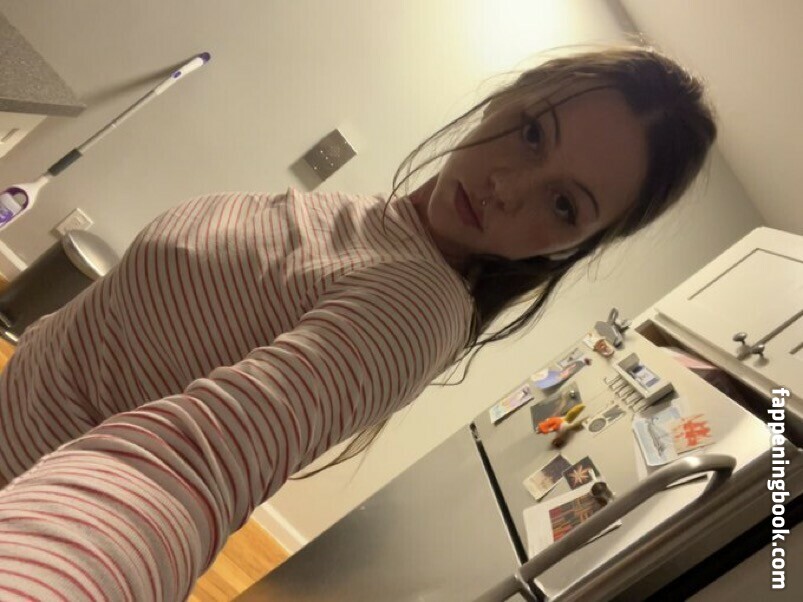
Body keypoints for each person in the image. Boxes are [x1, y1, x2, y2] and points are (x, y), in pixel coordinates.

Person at [0, 45, 716, 599]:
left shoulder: (413, 306)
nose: (508, 188)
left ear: (572, 246)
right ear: (507, 96)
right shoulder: (378, 225)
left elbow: (193, 470)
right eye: (531, 133)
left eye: (563, 205)